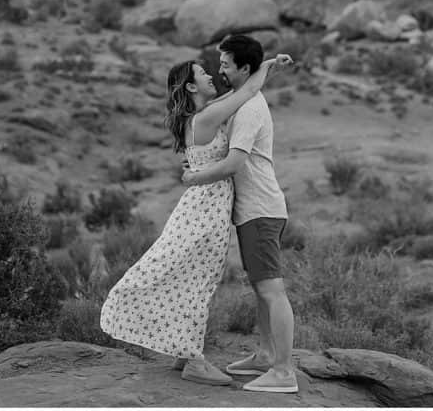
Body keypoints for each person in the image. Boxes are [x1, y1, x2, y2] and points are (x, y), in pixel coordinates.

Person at [100, 52, 292, 386]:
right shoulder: (204, 119)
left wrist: (266, 69)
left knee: (193, 280)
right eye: (203, 73)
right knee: (197, 283)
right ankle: (195, 361)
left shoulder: (203, 114)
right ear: (191, 85)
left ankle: (184, 353)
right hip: (205, 210)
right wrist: (265, 67)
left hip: (206, 208)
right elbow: (245, 93)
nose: (210, 75)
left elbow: (242, 92)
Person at [181, 34, 298, 394]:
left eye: (227, 64)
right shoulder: (241, 100)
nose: (221, 70)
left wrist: (193, 177)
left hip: (260, 210)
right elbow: (241, 91)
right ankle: (266, 355)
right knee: (261, 288)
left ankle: (284, 371)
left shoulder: (247, 109)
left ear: (242, 68)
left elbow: (234, 163)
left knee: (271, 289)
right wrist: (266, 67)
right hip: (254, 211)